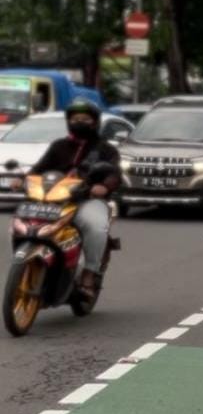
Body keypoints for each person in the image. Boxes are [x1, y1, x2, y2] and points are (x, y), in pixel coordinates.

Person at [28, 99, 119, 297]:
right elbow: (38, 169)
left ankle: (89, 272)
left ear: (95, 122)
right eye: (75, 118)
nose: (79, 122)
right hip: (53, 199)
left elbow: (115, 174)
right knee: (25, 220)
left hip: (87, 200)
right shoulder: (58, 146)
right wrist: (23, 180)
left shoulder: (106, 149)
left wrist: (103, 186)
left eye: (85, 119)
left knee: (95, 226)